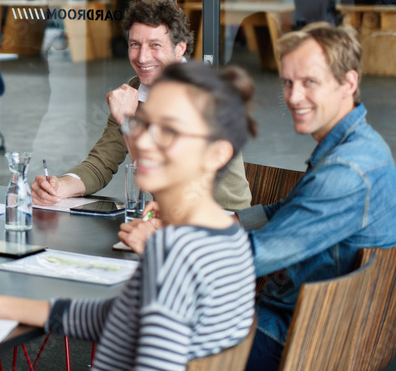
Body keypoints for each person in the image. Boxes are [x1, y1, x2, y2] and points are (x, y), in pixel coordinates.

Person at [0, 61, 257, 369]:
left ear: (218, 153)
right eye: (142, 123)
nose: (143, 140)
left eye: (169, 131)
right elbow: (116, 316)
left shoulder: (174, 253)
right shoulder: (228, 241)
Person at [119, 23, 396, 371]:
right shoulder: (356, 146)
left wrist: (168, 243)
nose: (293, 97)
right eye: (288, 82)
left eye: (309, 82)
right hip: (318, 322)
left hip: (297, 334)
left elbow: (250, 259)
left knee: (143, 333)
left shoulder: (346, 170)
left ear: (348, 83)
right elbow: (285, 210)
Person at [32, 0, 251, 210]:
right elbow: (102, 163)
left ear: (180, 48)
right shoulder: (136, 89)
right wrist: (60, 186)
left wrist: (127, 122)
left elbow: (168, 182)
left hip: (222, 221)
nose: (142, 57)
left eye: (155, 45)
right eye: (135, 44)